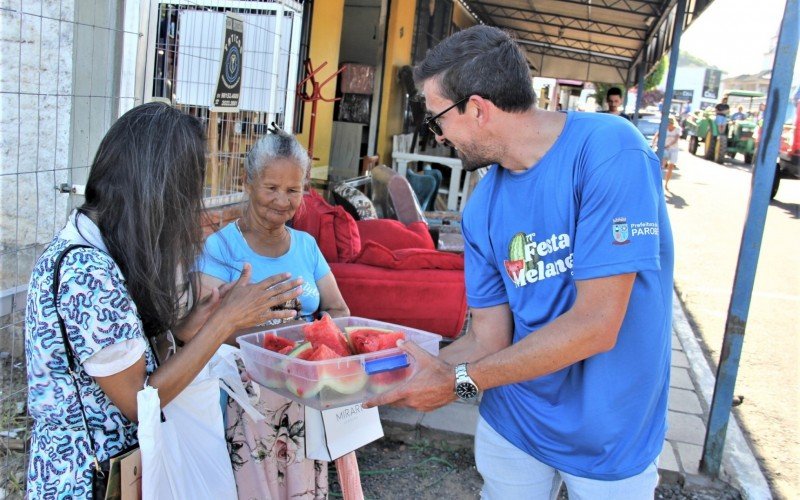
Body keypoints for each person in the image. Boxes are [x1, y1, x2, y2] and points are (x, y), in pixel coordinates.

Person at [365, 25, 674, 499]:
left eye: (436, 120)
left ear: (476, 108)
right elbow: (489, 338)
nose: (438, 136)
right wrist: (392, 378)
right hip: (514, 422)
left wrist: (458, 383)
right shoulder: (482, 208)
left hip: (609, 436)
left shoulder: (610, 152)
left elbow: (597, 325)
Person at [25, 103, 303, 499]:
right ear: (157, 189)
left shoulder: (95, 246)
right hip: (85, 480)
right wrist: (223, 323)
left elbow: (118, 347)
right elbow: (140, 402)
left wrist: (192, 326)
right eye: (188, 190)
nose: (191, 205)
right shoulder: (86, 271)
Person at [196, 130, 349, 499]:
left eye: (293, 190)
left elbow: (339, 310)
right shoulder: (221, 248)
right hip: (244, 405)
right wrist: (277, 330)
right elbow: (202, 328)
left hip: (304, 397)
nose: (282, 201)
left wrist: (306, 333)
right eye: (271, 187)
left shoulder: (307, 247)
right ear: (247, 183)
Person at [652, 117, 682, 190]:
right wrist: (654, 144)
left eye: (670, 124)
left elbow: (676, 139)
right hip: (664, 149)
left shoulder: (677, 129)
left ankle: (666, 184)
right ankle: (659, 182)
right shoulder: (664, 128)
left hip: (673, 149)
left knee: (671, 166)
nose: (669, 125)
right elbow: (656, 136)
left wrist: (668, 145)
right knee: (662, 164)